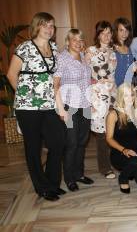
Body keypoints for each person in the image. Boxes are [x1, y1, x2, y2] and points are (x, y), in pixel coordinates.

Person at [7, 12, 66, 201]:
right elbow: (11, 74)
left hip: (49, 105)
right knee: (33, 148)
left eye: (52, 25)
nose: (49, 29)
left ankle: (52, 183)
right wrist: (24, 95)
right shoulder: (25, 47)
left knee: (58, 141)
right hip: (28, 108)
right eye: (45, 25)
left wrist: (59, 105)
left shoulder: (55, 48)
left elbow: (55, 80)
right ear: (37, 27)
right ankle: (42, 187)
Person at [54, 28, 93, 192]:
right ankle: (69, 178)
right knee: (72, 143)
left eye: (81, 39)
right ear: (68, 42)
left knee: (82, 142)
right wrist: (61, 109)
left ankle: (79, 174)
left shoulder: (84, 56)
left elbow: (87, 80)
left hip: (85, 105)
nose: (78, 43)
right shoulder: (62, 58)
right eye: (74, 40)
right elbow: (55, 85)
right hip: (70, 106)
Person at [106, 83, 137, 193]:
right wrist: (124, 150)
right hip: (120, 152)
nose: (130, 98)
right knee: (134, 163)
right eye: (126, 95)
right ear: (120, 96)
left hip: (136, 153)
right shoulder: (113, 114)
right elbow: (109, 138)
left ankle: (132, 170)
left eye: (132, 95)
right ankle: (123, 178)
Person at [85, 20, 117, 179]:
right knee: (101, 134)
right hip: (97, 97)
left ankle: (115, 162)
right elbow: (84, 72)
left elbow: (112, 75)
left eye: (109, 32)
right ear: (97, 34)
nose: (106, 36)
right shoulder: (90, 50)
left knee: (112, 130)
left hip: (112, 95)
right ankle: (105, 168)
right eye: (102, 32)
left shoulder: (113, 52)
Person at [113, 18, 135, 87]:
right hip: (115, 87)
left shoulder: (130, 47)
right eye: (121, 30)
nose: (124, 33)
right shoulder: (111, 48)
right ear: (116, 31)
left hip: (128, 86)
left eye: (126, 30)